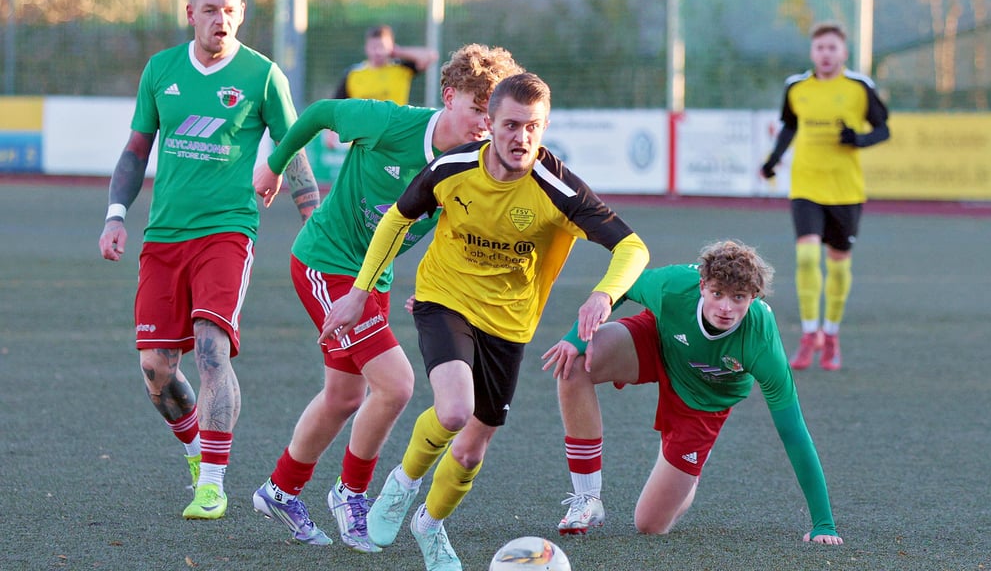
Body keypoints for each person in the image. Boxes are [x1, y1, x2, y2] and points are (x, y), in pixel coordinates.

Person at [320, 73, 650, 571]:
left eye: (533, 127)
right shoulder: (451, 168)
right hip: (443, 299)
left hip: (509, 324)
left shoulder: (558, 187)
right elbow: (397, 218)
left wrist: (604, 294)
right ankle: (401, 485)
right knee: (453, 411)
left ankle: (429, 525)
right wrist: (358, 293)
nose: (522, 138)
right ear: (489, 125)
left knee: (472, 451)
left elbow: (632, 247)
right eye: (511, 125)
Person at [248, 44, 525, 551]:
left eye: (494, 115)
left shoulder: (474, 164)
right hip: (325, 263)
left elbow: (452, 233)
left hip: (374, 281)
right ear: (448, 97)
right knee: (395, 385)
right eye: (477, 110)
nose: (485, 124)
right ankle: (350, 493)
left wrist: (433, 290)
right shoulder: (390, 124)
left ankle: (280, 490)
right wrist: (274, 166)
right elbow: (318, 114)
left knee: (346, 395)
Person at [97, 0, 320, 521]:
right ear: (191, 13)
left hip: (228, 231)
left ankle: (214, 485)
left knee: (212, 347)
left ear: (241, 14)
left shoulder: (263, 75)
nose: (220, 19)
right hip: (164, 234)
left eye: (230, 10)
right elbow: (135, 150)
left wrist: (315, 216)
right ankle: (197, 452)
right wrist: (114, 215)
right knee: (155, 368)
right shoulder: (161, 70)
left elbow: (292, 148)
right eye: (210, 9)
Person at [542, 240, 844, 545]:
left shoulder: (761, 340)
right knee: (575, 364)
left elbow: (793, 431)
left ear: (753, 297)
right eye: (717, 294)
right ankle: (587, 497)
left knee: (649, 524)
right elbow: (621, 286)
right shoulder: (673, 286)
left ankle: (689, 472)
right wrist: (576, 339)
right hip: (659, 341)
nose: (725, 308)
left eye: (738, 297)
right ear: (702, 286)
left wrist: (823, 523)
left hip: (704, 400)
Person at [760, 21, 889, 371]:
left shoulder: (859, 87)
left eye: (833, 48)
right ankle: (808, 334)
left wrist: (857, 140)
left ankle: (830, 335)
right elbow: (789, 126)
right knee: (804, 257)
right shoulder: (796, 87)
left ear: (843, 52)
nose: (826, 54)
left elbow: (883, 128)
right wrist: (772, 161)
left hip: (845, 190)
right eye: (820, 48)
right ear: (812, 52)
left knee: (837, 263)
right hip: (805, 186)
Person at [333, 24, 439, 105]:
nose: (377, 52)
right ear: (366, 48)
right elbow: (335, 106)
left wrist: (400, 52)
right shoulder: (353, 73)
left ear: (391, 47)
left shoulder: (401, 68)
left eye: (382, 46)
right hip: (362, 131)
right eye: (373, 47)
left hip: (395, 129)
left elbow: (431, 56)